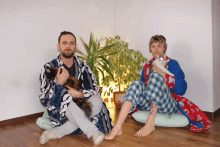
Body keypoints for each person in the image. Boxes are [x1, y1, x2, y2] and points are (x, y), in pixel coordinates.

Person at [105, 35, 187, 139]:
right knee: (136, 83)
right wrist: (149, 81)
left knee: (156, 76)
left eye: (159, 46)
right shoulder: (147, 65)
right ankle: (117, 127)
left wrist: (164, 76)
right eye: (153, 46)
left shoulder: (173, 64)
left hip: (167, 105)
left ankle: (150, 124)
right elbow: (143, 88)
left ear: (164, 47)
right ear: (150, 48)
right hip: (150, 103)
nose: (156, 49)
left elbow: (182, 90)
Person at [38, 31, 113, 145]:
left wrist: (79, 94)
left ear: (76, 47)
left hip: (81, 105)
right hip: (61, 111)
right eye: (64, 43)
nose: (68, 46)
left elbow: (95, 90)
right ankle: (93, 132)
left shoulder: (84, 66)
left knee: (97, 99)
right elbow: (44, 99)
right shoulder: (49, 68)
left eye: (71, 43)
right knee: (64, 94)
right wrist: (59, 83)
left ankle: (55, 132)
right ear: (59, 46)